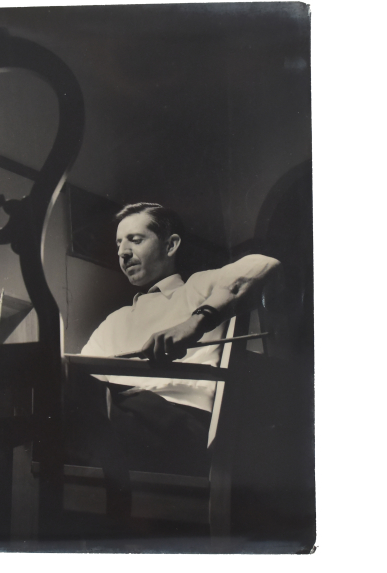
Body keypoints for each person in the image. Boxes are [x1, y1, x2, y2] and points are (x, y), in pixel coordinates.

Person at [68, 202, 281, 490]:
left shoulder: (197, 288)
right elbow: (80, 377)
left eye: (135, 239)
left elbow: (265, 265)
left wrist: (195, 323)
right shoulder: (115, 321)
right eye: (118, 244)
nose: (122, 252)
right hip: (121, 421)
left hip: (178, 427)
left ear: (170, 245)